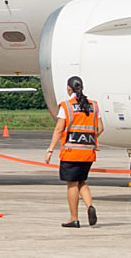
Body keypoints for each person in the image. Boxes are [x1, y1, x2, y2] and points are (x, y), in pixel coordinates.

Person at [45, 76, 101, 228]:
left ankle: (73, 218)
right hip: (88, 152)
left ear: (69, 89)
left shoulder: (67, 106)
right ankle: (89, 206)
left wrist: (50, 149)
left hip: (71, 152)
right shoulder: (94, 106)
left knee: (72, 185)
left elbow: (59, 129)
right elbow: (100, 128)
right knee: (82, 181)